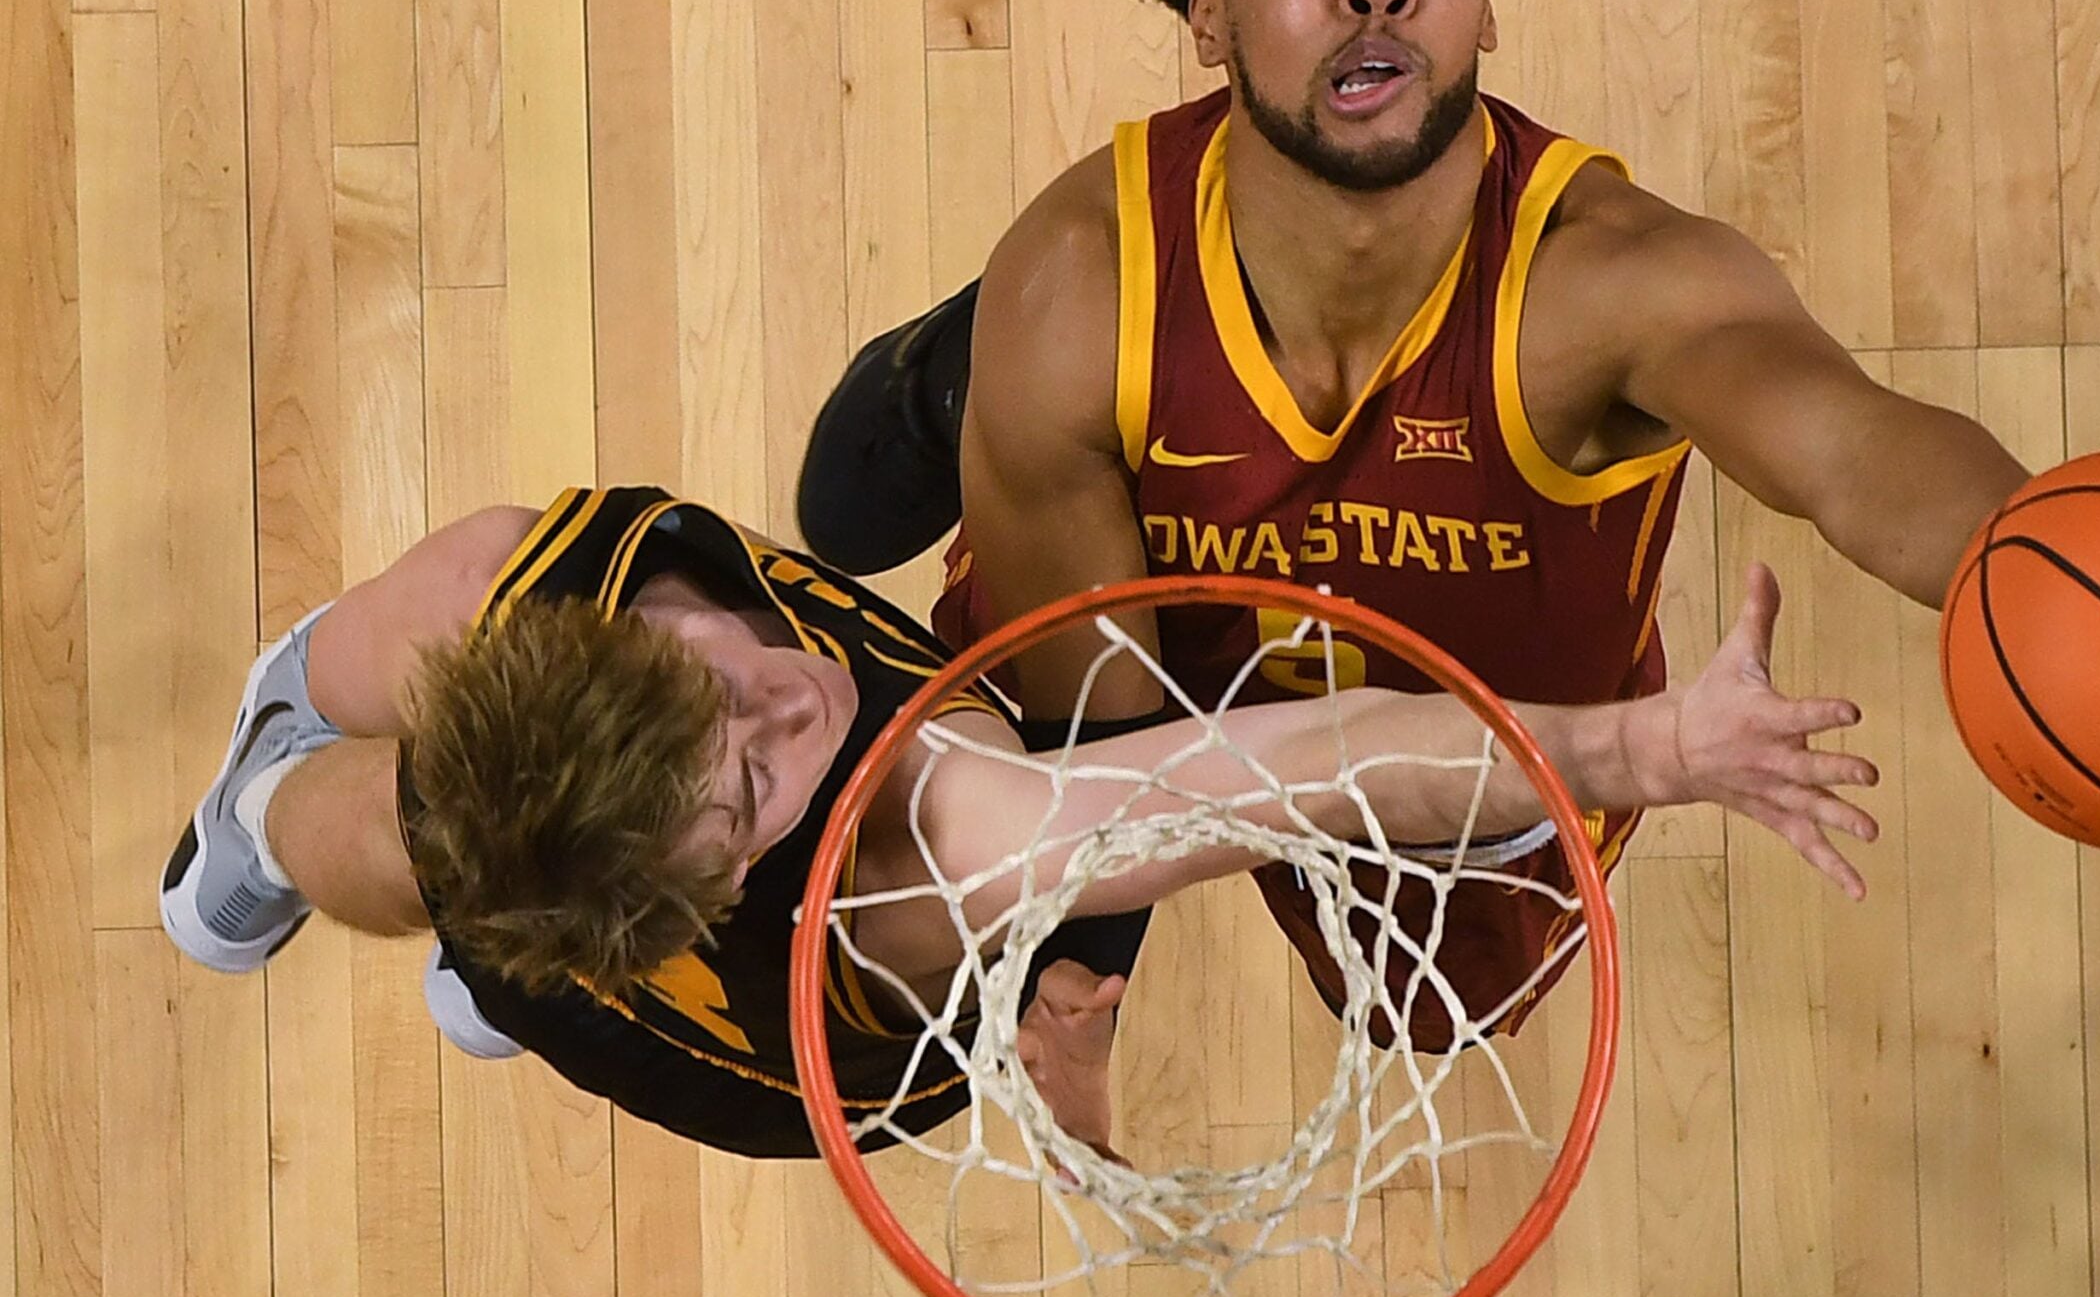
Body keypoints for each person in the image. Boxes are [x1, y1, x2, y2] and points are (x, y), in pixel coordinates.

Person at [796, 0, 2030, 1043]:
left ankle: (1005, 399)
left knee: (1431, 1015)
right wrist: (1073, 962)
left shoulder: (1614, 280)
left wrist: (2054, 559)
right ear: (1207, 11)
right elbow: (1101, 735)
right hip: (1166, 629)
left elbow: (1856, 452)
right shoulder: (1086, 278)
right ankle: (961, 382)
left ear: (1484, 2)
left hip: (1469, 741)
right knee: (910, 840)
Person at [161, 485, 1876, 1158]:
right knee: (394, 829)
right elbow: (1300, 767)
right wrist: (1645, 744)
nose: (791, 702)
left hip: (703, 977)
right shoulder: (918, 842)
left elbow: (1296, 768)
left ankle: (455, 910)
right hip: (691, 975)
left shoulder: (904, 827)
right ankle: (267, 792)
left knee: (470, 644)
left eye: (719, 686)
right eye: (748, 775)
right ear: (712, 878)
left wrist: (1636, 744)